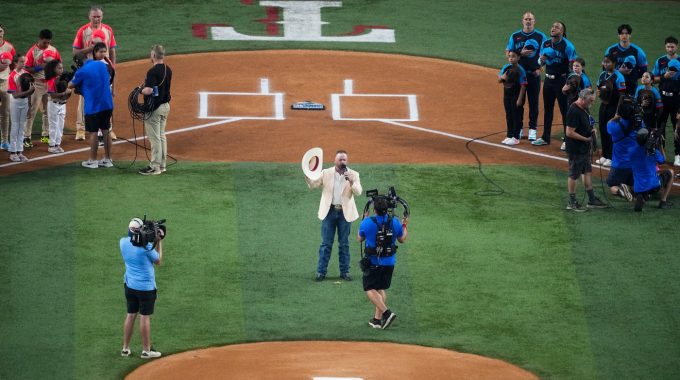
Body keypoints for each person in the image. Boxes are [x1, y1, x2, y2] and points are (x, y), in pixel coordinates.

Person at [305, 150, 362, 281]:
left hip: (344, 213)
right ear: (335, 161)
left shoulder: (353, 174)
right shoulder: (326, 173)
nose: (342, 162)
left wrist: (352, 181)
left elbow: (358, 192)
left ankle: (345, 272)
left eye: (344, 160)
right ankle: (321, 272)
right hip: (329, 212)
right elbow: (313, 184)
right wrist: (308, 175)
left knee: (344, 244)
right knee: (326, 244)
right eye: (340, 160)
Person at [358, 195, 408, 330]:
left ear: (375, 210)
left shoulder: (367, 222)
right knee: (380, 288)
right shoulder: (395, 222)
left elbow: (360, 238)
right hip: (389, 263)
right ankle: (377, 320)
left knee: (369, 288)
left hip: (374, 262)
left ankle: (387, 313)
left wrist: (364, 219)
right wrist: (405, 224)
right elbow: (402, 239)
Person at [120, 218, 164, 359]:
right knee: (144, 317)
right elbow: (158, 260)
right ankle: (146, 351)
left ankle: (125, 349)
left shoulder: (123, 243)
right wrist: (159, 242)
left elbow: (135, 239)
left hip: (130, 286)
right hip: (146, 288)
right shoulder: (146, 248)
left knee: (131, 314)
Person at [72, 5, 117, 141]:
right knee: (84, 98)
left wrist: (113, 67)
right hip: (89, 69)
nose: (96, 19)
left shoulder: (108, 30)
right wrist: (90, 48)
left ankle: (108, 128)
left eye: (99, 16)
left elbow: (112, 50)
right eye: (94, 16)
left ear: (102, 17)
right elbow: (75, 53)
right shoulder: (83, 31)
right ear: (89, 16)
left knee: (106, 97)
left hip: (104, 69)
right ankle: (80, 129)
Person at [532, 21, 576, 147]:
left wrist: (569, 83)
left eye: (557, 27)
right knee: (548, 109)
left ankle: (568, 140)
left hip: (561, 81)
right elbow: (539, 62)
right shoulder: (545, 43)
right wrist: (542, 60)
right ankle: (545, 137)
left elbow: (573, 67)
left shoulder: (568, 46)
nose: (553, 28)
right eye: (552, 26)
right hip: (548, 81)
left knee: (564, 110)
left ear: (562, 32)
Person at [505, 11, 547, 141]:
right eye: (526, 19)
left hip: (534, 75)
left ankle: (533, 129)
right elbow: (508, 53)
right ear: (522, 21)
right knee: (518, 103)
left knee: (533, 103)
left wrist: (540, 68)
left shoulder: (541, 36)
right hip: (518, 76)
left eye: (530, 19)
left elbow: (545, 54)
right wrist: (520, 53)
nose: (528, 21)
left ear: (534, 21)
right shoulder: (515, 35)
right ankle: (519, 128)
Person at [564, 88, 608, 211]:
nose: (592, 103)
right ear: (583, 99)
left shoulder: (584, 108)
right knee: (574, 175)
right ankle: (571, 202)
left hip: (584, 148)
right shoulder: (574, 110)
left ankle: (591, 199)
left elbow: (589, 121)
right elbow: (569, 132)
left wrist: (592, 129)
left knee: (587, 172)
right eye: (590, 101)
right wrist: (585, 139)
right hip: (576, 149)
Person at [68, 53, 114, 169]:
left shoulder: (81, 71)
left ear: (78, 63)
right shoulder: (101, 65)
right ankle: (108, 159)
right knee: (106, 131)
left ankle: (93, 160)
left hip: (93, 107)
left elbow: (70, 85)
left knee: (93, 132)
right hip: (107, 104)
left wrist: (74, 77)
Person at [24, 29, 61, 148]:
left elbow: (59, 64)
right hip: (37, 84)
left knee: (47, 111)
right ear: (40, 39)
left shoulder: (53, 50)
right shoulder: (32, 52)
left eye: (48, 42)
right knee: (32, 111)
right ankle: (26, 137)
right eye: (45, 42)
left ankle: (45, 134)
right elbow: (27, 69)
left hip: (49, 83)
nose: (46, 45)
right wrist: (40, 67)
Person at [138, 45, 172, 175]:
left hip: (155, 109)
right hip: (165, 107)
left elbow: (149, 90)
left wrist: (139, 90)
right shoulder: (168, 69)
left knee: (155, 138)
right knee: (161, 136)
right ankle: (162, 165)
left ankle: (155, 167)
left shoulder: (152, 71)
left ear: (153, 56)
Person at [606, 96, 641, 202]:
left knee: (612, 185)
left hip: (619, 165)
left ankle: (620, 190)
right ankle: (632, 190)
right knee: (634, 185)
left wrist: (616, 117)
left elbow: (608, 123)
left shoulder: (614, 126)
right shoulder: (638, 125)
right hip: (634, 165)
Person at [629, 128, 674, 211]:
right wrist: (660, 145)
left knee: (635, 173)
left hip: (637, 187)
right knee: (670, 172)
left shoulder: (631, 151)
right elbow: (663, 160)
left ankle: (642, 197)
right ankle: (663, 201)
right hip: (654, 186)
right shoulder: (654, 152)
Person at [652, 36, 680, 166]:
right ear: (665, 47)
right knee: (660, 126)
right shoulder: (660, 61)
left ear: (677, 47)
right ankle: (659, 153)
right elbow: (653, 79)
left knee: (677, 126)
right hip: (662, 98)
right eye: (668, 46)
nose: (670, 48)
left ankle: (678, 155)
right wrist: (665, 76)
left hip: (677, 98)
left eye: (672, 46)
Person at [595, 54, 627, 167]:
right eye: (604, 62)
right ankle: (604, 155)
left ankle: (611, 157)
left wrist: (618, 112)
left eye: (608, 62)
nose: (606, 64)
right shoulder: (602, 75)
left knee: (611, 132)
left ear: (614, 63)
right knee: (603, 129)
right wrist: (598, 93)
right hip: (603, 106)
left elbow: (622, 96)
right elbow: (598, 89)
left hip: (613, 107)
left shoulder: (619, 76)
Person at [604, 24, 648, 96]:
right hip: (613, 84)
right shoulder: (610, 50)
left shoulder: (638, 51)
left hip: (631, 86)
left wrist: (632, 75)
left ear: (630, 35)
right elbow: (605, 68)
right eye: (622, 33)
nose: (624, 36)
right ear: (618, 35)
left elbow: (643, 70)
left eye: (626, 33)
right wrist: (619, 72)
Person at [7, 54, 34, 162]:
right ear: (15, 63)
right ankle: (13, 152)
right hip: (15, 102)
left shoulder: (26, 74)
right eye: (21, 62)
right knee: (15, 126)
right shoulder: (12, 76)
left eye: (24, 61)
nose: (24, 64)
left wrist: (29, 105)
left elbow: (30, 93)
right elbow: (15, 95)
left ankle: (20, 151)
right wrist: (28, 92)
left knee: (22, 126)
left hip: (24, 102)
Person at [561, 57, 592, 150]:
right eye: (574, 66)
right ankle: (567, 141)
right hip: (571, 103)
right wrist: (564, 89)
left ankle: (586, 143)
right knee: (569, 122)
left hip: (581, 105)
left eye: (577, 66)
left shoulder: (584, 78)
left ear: (582, 67)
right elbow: (564, 90)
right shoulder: (571, 75)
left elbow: (588, 92)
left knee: (582, 124)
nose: (575, 67)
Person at [498, 50, 527, 145]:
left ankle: (516, 137)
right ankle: (509, 135)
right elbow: (499, 80)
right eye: (509, 56)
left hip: (516, 95)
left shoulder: (521, 70)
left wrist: (519, 99)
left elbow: (523, 85)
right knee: (509, 115)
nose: (511, 58)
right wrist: (503, 78)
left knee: (516, 116)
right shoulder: (506, 67)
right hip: (506, 95)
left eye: (513, 56)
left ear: (518, 57)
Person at [44, 60, 72, 153]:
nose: (61, 70)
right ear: (53, 69)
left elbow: (66, 95)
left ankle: (57, 144)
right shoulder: (51, 80)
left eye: (62, 68)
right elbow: (52, 95)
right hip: (53, 104)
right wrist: (64, 92)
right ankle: (51, 146)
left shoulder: (62, 79)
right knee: (54, 125)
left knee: (60, 126)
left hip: (62, 104)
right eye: (59, 68)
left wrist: (68, 93)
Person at [0, 24, 16, 151]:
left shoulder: (9, 47)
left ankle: (4, 141)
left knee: (5, 113)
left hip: (5, 83)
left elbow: (14, 65)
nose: (0, 33)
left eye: (1, 31)